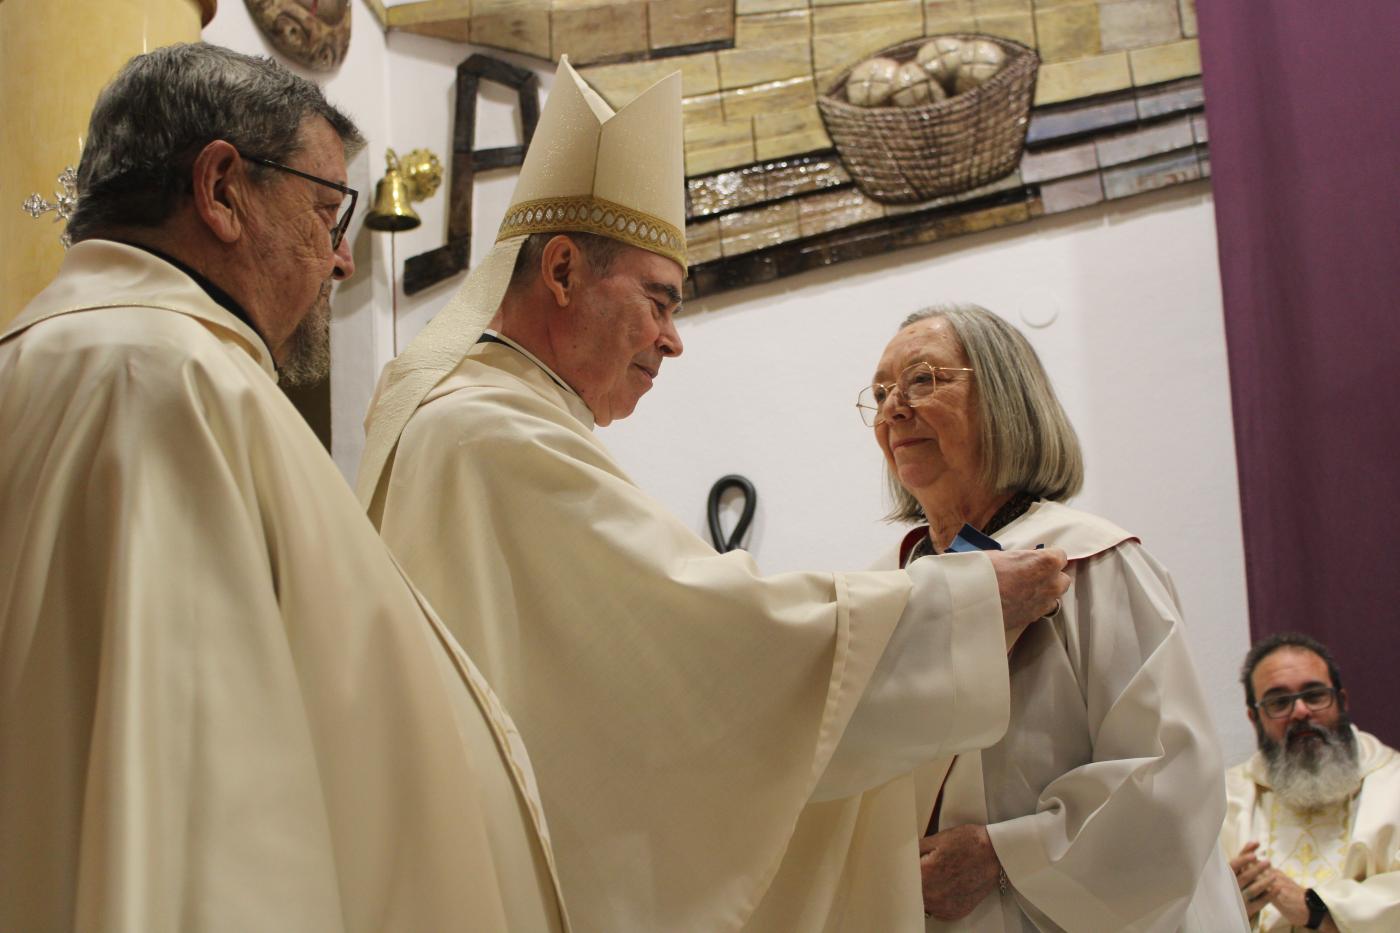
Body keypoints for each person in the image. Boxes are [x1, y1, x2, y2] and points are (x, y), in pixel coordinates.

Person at [356, 58, 1069, 932]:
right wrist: (954, 610)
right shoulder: (488, 433)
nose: (672, 340)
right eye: (660, 301)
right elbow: (698, 646)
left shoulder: (486, 418)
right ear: (565, 270)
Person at [0, 43, 569, 932]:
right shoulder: (172, 384)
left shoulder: (48, 362)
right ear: (222, 188)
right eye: (324, 212)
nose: (340, 262)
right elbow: (206, 818)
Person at [859, 305, 1246, 931]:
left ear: (1007, 401)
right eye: (879, 394)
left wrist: (1004, 857)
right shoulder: (879, 587)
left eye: (924, 380)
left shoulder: (1093, 562)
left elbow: (1166, 777)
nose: (892, 409)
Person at [1222, 633, 1400, 932]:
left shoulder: (1393, 782)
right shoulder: (1224, 801)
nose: (1301, 712)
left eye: (1315, 695)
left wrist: (1315, 907)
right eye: (1279, 702)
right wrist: (1227, 902)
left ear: (1341, 700)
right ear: (1255, 718)